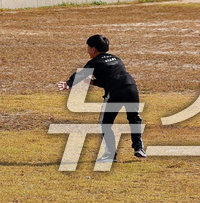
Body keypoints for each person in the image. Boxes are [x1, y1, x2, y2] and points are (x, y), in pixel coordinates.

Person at [58, 34, 147, 163]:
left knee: (105, 123)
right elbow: (113, 77)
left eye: (88, 48)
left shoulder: (95, 61)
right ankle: (139, 148)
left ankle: (111, 155)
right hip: (132, 88)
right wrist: (93, 83)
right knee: (134, 118)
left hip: (115, 92)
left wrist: (68, 83)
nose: (88, 51)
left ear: (94, 49)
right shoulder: (116, 58)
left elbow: (82, 73)